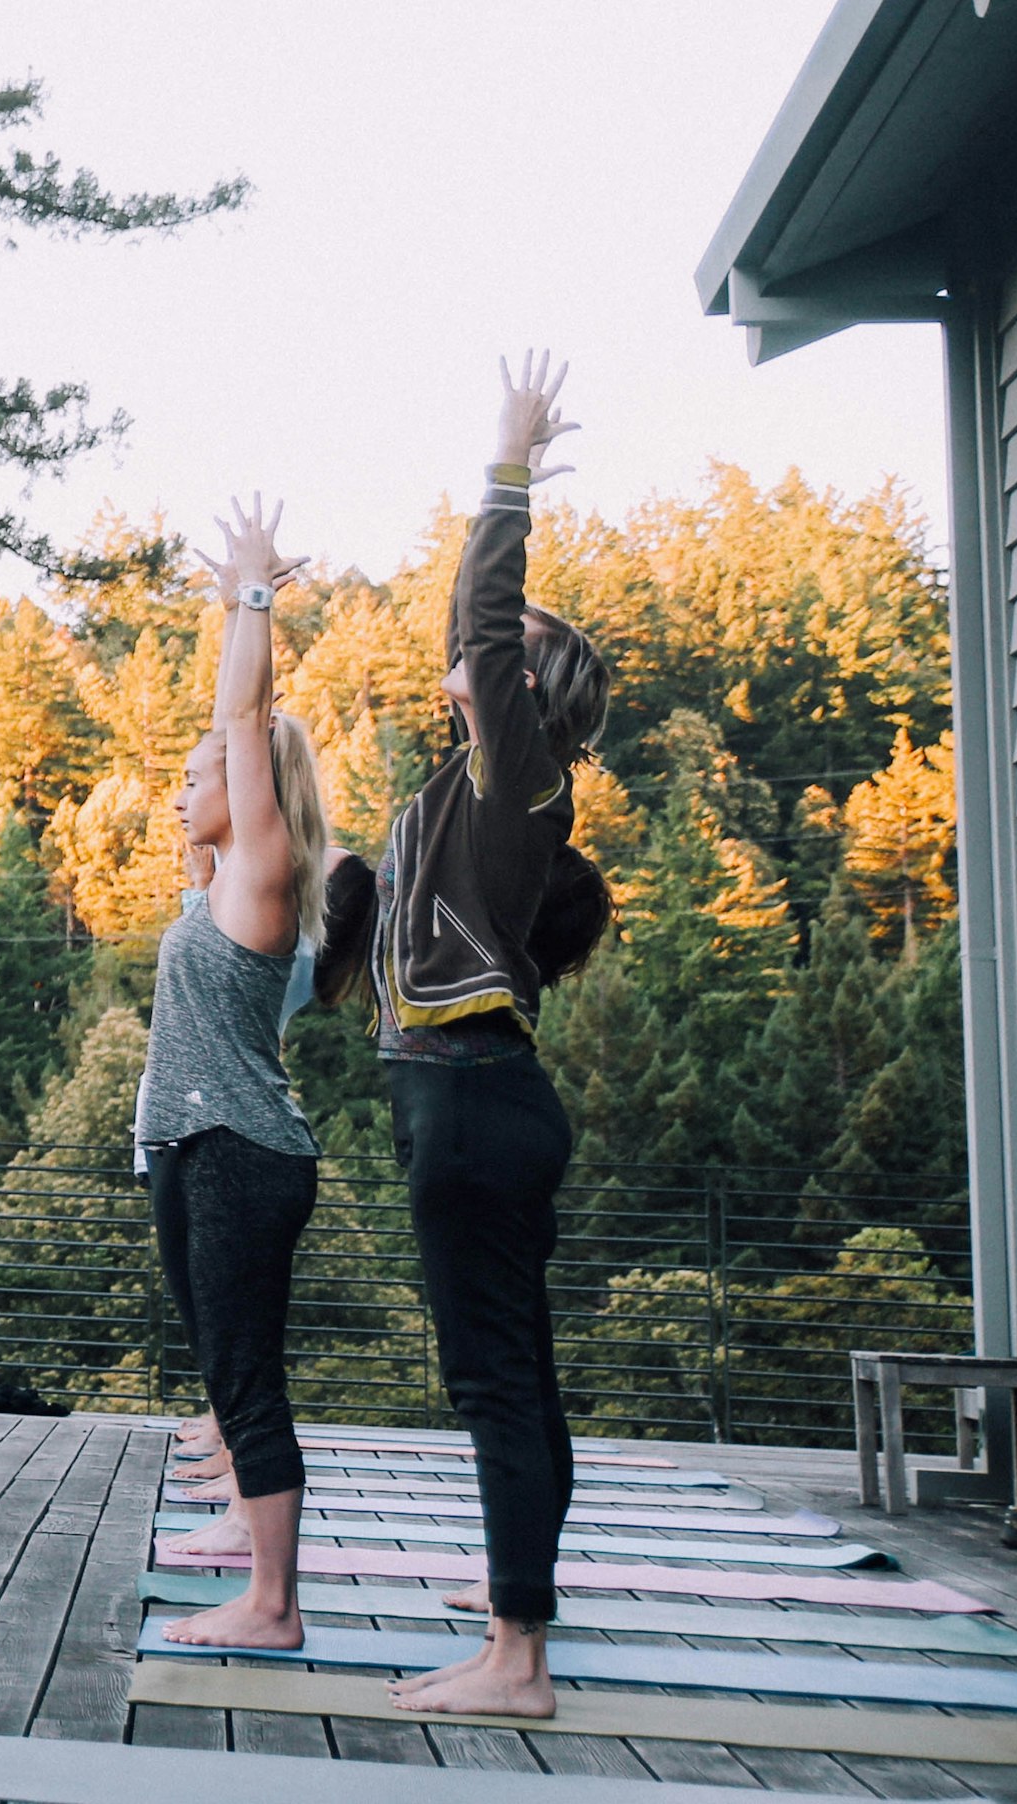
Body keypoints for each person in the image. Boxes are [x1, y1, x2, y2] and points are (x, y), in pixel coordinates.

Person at [358, 353, 616, 1720]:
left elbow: (480, 607)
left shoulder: (524, 781)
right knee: (515, 1362)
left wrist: (507, 464)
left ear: (523, 688)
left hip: (472, 1107)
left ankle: (517, 1662)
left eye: (503, 656)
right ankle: (525, 1592)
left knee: (494, 1373)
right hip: (467, 1100)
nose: (471, 657)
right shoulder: (471, 790)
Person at [142, 498, 379, 1649]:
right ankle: (254, 1560)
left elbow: (245, 711)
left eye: (200, 773)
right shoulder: (219, 878)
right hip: (201, 1152)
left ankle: (273, 1604)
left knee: (248, 1379)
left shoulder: (265, 873)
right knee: (227, 1370)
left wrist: (249, 592)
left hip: (241, 1154)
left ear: (255, 786)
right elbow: (232, 723)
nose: (183, 789)